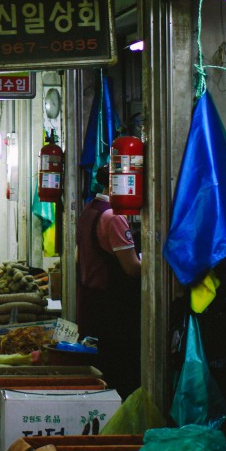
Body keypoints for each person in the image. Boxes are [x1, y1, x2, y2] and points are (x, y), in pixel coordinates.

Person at [76, 166, 142, 399]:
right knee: (120, 377)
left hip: (93, 304)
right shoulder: (113, 216)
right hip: (114, 311)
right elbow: (132, 268)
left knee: (103, 373)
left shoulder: (89, 210)